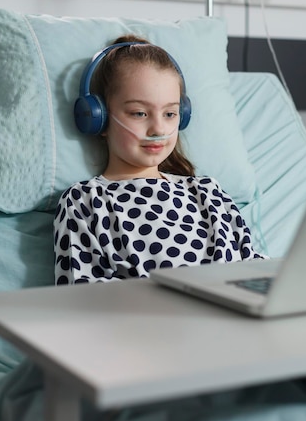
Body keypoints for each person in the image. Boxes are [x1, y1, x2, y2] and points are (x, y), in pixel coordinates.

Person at [54, 34, 264, 285]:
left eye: (170, 113)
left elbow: (252, 267)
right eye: (140, 113)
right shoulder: (86, 202)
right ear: (97, 116)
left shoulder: (208, 192)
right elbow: (80, 298)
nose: (158, 129)